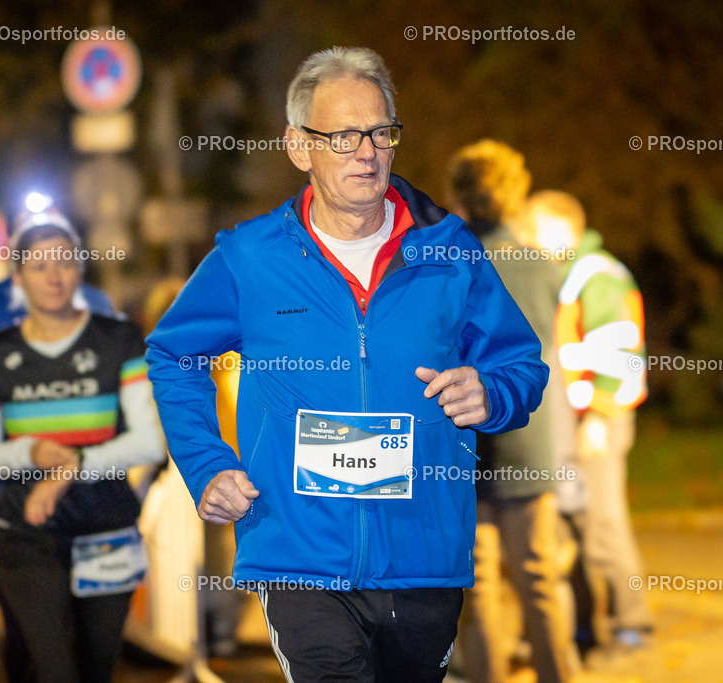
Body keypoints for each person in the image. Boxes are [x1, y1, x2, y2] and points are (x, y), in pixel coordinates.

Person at [146, 46, 549, 682]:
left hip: (423, 556)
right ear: (298, 147)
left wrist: (492, 391)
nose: (367, 152)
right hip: (299, 554)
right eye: (342, 136)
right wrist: (207, 463)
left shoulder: (448, 251)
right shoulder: (250, 257)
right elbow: (173, 353)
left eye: (380, 132)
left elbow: (522, 362)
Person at [0, 213, 164, 682]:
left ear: (79, 269)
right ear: (17, 277)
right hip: (26, 532)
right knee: (55, 670)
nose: (53, 276)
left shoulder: (119, 340)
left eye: (65, 261)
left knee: (95, 670)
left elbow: (150, 441)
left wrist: (70, 468)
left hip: (107, 528)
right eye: (38, 265)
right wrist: (28, 455)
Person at [0, 207, 115, 682]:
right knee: (31, 630)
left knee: (79, 629)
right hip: (0, 497)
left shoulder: (97, 304)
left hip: (84, 494)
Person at [447, 140, 579, 682]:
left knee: (477, 591)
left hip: (463, 448)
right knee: (538, 580)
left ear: (458, 197)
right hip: (529, 443)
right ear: (515, 197)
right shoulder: (545, 269)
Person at [525, 190, 653, 652]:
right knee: (575, 527)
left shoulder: (595, 275)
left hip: (599, 420)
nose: (527, 242)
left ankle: (631, 626)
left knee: (602, 527)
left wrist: (598, 415)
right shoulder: (572, 273)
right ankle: (588, 629)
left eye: (534, 232)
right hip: (577, 421)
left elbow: (619, 347)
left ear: (561, 230)